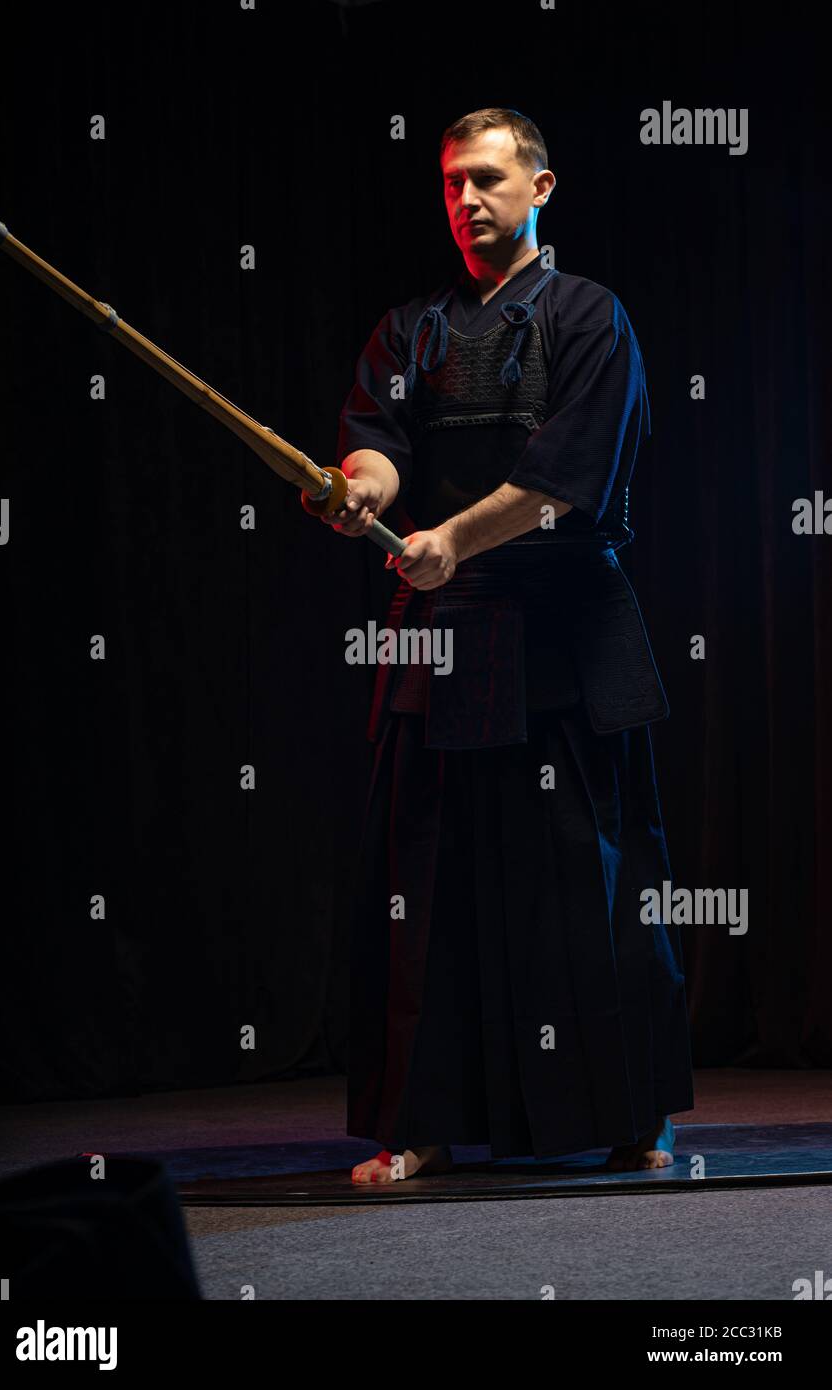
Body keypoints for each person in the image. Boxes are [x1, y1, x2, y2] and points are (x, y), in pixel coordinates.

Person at [319, 107, 694, 1182]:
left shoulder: (589, 317)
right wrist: (361, 496)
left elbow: (564, 478)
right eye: (449, 185)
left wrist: (451, 539)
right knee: (427, 884)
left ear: (540, 188)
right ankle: (423, 1123)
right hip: (442, 637)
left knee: (592, 877)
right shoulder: (409, 328)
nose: (465, 201)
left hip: (563, 630)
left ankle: (632, 1116)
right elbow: (376, 450)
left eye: (485, 180)